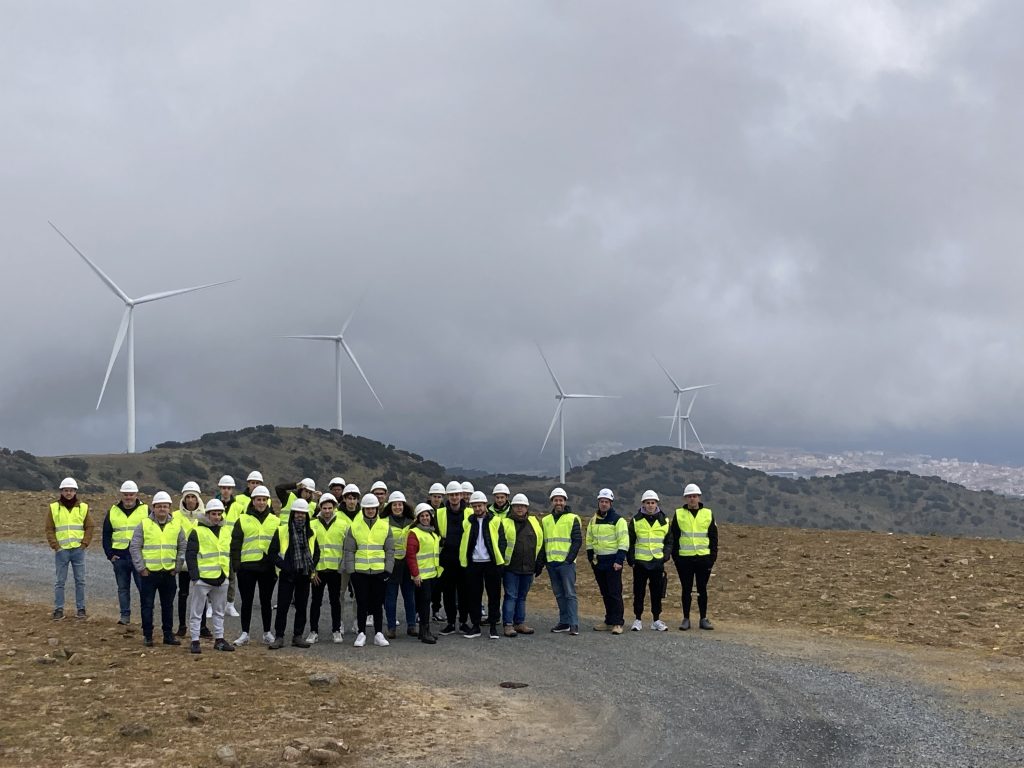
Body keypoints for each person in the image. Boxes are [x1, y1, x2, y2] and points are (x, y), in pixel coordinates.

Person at [129, 491, 185, 647]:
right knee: (147, 606)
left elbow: (182, 546)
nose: (162, 509)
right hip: (149, 574)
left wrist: (177, 567)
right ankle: (148, 635)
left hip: (168, 573)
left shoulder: (176, 525)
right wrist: (141, 568)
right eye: (159, 506)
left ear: (169, 508)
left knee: (168, 606)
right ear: (153, 507)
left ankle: (168, 635)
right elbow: (135, 547)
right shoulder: (144, 524)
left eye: (165, 506)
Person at [342, 493, 394, 647]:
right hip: (360, 572)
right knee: (362, 603)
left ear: (377, 509)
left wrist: (388, 571)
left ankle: (378, 633)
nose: (370, 511)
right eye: (367, 508)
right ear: (363, 509)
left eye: (373, 508)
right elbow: (349, 551)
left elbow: (390, 551)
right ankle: (361, 633)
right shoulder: (354, 527)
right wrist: (352, 572)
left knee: (378, 603)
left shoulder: (385, 527)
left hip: (379, 572)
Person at [230, 485, 280, 646]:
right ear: (253, 501)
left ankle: (267, 633)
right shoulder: (242, 519)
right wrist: (236, 565)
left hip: (268, 567)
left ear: (268, 501)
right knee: (247, 601)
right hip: (247, 567)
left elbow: (280, 545)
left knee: (266, 601)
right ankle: (245, 633)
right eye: (258, 499)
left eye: (264, 500)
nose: (261, 503)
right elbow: (235, 544)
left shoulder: (275, 521)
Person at [183, 498, 234, 653]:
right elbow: (190, 555)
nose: (216, 517)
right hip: (203, 579)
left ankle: (219, 639)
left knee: (219, 611)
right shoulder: (197, 531)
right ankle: (195, 640)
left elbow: (228, 554)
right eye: (213, 514)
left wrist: (228, 575)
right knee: (196, 612)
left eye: (219, 514)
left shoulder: (226, 531)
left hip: (221, 578)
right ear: (207, 515)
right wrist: (195, 577)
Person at [268, 498, 317, 649]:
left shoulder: (311, 532)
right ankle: (279, 637)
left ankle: (298, 636)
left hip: (304, 575)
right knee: (282, 607)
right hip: (287, 575)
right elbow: (272, 553)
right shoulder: (282, 530)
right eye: (297, 513)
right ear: (292, 514)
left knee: (302, 607)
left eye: (303, 513)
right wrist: (285, 566)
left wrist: (312, 567)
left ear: (306, 515)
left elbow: (316, 552)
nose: (300, 515)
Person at [668, 483, 718, 630]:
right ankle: (686, 619)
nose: (692, 499)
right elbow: (674, 537)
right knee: (686, 589)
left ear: (699, 497)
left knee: (702, 589)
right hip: (685, 559)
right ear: (685, 498)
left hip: (704, 558)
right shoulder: (679, 514)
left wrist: (712, 558)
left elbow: (713, 537)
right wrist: (676, 558)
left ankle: (703, 618)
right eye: (689, 496)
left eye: (694, 496)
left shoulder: (708, 513)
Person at [458, 491, 507, 639]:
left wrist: (499, 560)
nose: (477, 508)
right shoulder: (467, 522)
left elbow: (502, 542)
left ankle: (493, 627)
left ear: (485, 505)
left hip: (491, 564)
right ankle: (476, 626)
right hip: (473, 564)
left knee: (494, 596)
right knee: (474, 596)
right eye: (474, 506)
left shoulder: (496, 521)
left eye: (480, 505)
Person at [102, 480, 149, 625]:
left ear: (136, 495)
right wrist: (110, 555)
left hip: (139, 556)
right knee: (123, 589)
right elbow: (106, 534)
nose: (128, 497)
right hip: (120, 557)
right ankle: (125, 616)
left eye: (131, 494)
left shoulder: (146, 510)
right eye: (126, 494)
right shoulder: (113, 511)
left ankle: (146, 618)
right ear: (121, 495)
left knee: (144, 588)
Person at [46, 477, 93, 620]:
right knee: (60, 582)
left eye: (71, 490)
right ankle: (59, 609)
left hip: (78, 550)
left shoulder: (83, 507)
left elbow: (89, 526)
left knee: (80, 581)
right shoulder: (54, 508)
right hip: (62, 551)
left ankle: (81, 609)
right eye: (66, 490)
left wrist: (84, 544)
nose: (68, 493)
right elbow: (49, 528)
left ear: (75, 491)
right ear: (61, 491)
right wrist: (56, 546)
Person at [306, 493, 349, 644]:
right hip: (317, 571)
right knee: (316, 602)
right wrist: (312, 570)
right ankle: (313, 631)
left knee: (335, 601)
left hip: (335, 571)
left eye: (330, 508)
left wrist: (342, 567)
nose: (327, 511)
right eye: (324, 508)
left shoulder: (343, 525)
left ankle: (336, 630)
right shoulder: (312, 525)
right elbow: (308, 550)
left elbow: (346, 548)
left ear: (334, 507)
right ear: (320, 508)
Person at [499, 494, 545, 637]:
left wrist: (539, 563)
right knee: (511, 596)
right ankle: (508, 624)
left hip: (529, 567)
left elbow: (541, 543)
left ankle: (519, 623)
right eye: (517, 506)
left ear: (527, 508)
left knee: (522, 596)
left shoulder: (534, 522)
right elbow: (501, 545)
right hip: (510, 567)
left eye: (523, 506)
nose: (520, 508)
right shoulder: (505, 523)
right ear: (512, 507)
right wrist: (501, 565)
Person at [628, 490, 672, 632]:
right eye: (648, 503)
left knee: (657, 593)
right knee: (639, 592)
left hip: (657, 562)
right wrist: (631, 560)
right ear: (643, 504)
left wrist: (665, 556)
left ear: (656, 504)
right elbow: (630, 542)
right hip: (640, 563)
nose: (650, 505)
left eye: (653, 503)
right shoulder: (636, 520)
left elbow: (669, 541)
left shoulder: (664, 520)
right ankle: (638, 619)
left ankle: (656, 620)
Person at [586, 488, 628, 634]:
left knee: (614, 593)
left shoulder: (618, 520)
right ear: (598, 502)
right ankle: (609, 620)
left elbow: (623, 541)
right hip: (599, 562)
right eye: (601, 501)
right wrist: (590, 558)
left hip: (613, 561)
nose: (604, 504)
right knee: (605, 593)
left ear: (611, 503)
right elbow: (589, 539)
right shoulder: (593, 520)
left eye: (606, 502)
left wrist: (619, 560)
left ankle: (618, 622)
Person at [542, 487, 582, 635]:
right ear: (552, 501)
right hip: (551, 563)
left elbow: (577, 541)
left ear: (565, 501)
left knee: (570, 594)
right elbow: (543, 542)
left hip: (566, 564)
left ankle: (573, 623)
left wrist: (569, 559)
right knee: (559, 594)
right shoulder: (546, 520)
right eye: (555, 500)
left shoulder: (573, 518)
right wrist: (544, 561)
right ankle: (564, 622)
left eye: (561, 500)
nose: (558, 503)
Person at [173, 482, 210, 638]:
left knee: (201, 594)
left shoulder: (206, 516)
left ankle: (202, 626)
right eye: (187, 497)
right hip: (182, 563)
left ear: (197, 498)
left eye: (193, 497)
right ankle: (182, 626)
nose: (190, 500)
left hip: (199, 562)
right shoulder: (175, 516)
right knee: (183, 594)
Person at [436, 480, 471, 635]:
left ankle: (463, 622)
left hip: (464, 559)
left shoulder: (469, 513)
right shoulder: (439, 513)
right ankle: (450, 622)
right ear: (447, 496)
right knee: (448, 593)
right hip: (446, 559)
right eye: (451, 495)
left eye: (457, 494)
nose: (454, 497)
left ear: (461, 495)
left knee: (464, 592)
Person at [382, 491, 417, 639]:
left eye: (400, 504)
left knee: (409, 596)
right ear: (390, 506)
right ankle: (391, 627)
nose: (397, 507)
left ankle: (411, 625)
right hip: (392, 563)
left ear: (404, 505)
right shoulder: (383, 522)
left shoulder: (412, 521)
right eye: (395, 505)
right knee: (391, 597)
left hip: (408, 563)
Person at [405, 503, 441, 644]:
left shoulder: (432, 532)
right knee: (424, 604)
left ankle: (424, 631)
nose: (425, 518)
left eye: (427, 515)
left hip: (432, 574)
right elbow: (411, 556)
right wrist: (415, 574)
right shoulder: (414, 533)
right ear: (418, 518)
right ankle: (425, 632)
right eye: (422, 516)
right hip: (421, 576)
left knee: (426, 602)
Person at [215, 475, 244, 617]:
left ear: (232, 490)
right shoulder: (214, 505)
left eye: (228, 488)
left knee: (231, 576)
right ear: (220, 489)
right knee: (214, 574)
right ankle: (212, 604)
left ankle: (230, 604)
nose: (226, 491)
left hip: (232, 547)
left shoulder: (239, 507)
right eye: (223, 488)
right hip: (216, 546)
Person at [426, 483, 446, 622]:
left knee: (438, 585)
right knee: (425, 585)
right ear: (430, 497)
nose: (437, 499)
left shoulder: (445, 511)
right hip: (427, 553)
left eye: (439, 496)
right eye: (434, 496)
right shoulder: (424, 510)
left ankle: (436, 610)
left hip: (441, 552)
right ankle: (420, 611)